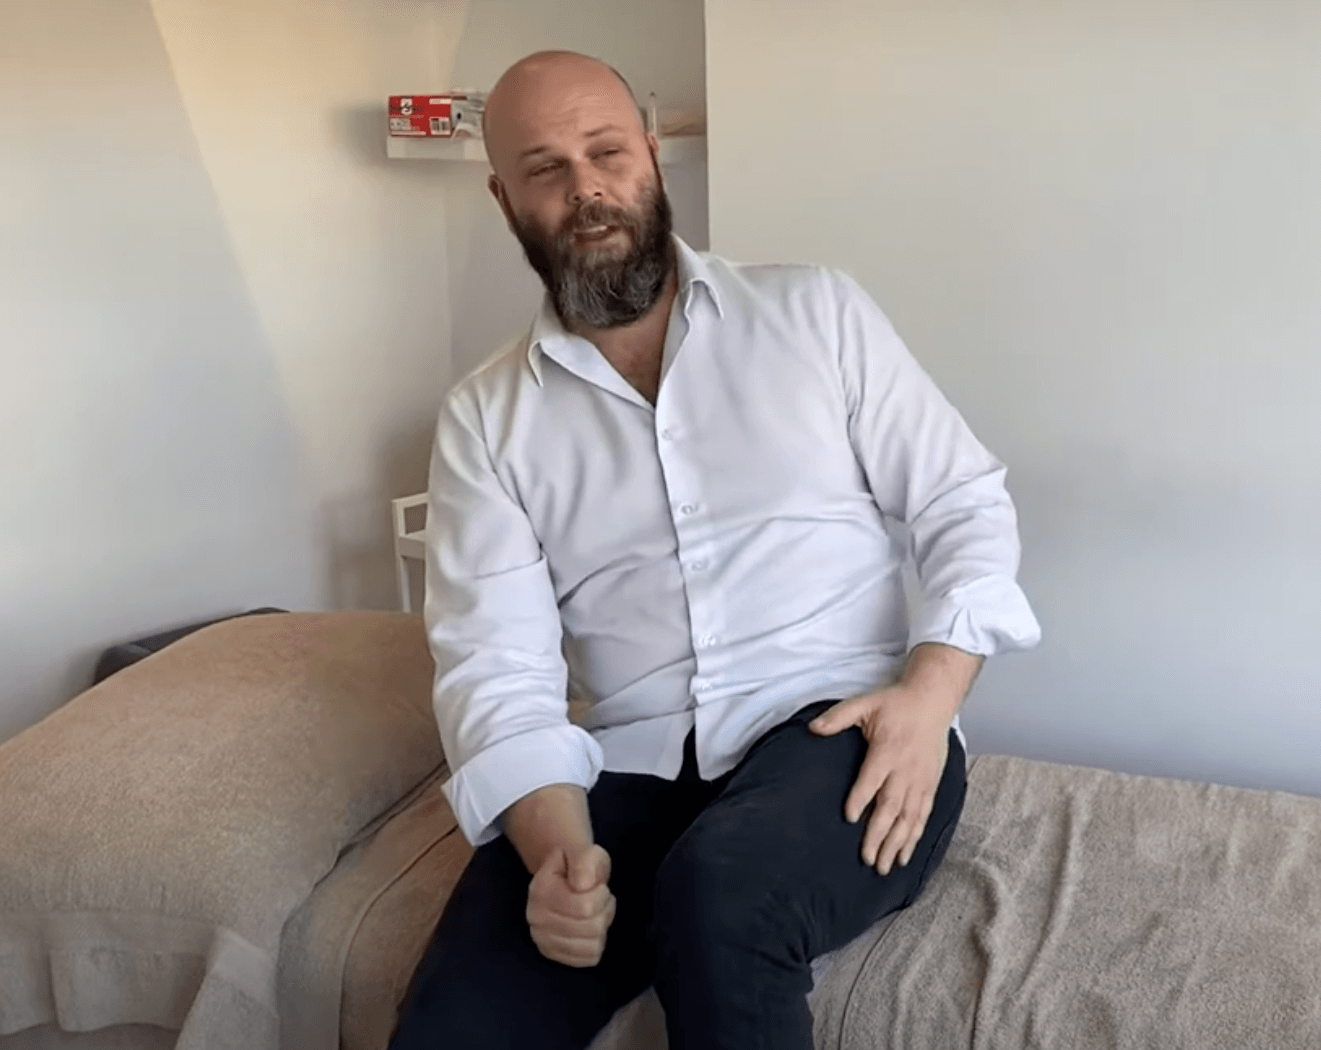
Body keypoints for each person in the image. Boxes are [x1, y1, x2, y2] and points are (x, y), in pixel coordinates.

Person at [390, 50, 1040, 1050]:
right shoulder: (486, 419)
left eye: (606, 151)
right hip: (631, 760)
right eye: (546, 168)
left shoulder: (815, 314)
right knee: (458, 1015)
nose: (586, 188)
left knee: (720, 899)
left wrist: (928, 699)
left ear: (651, 153)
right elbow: (495, 668)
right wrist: (558, 855)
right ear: (503, 199)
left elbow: (963, 504)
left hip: (841, 726)